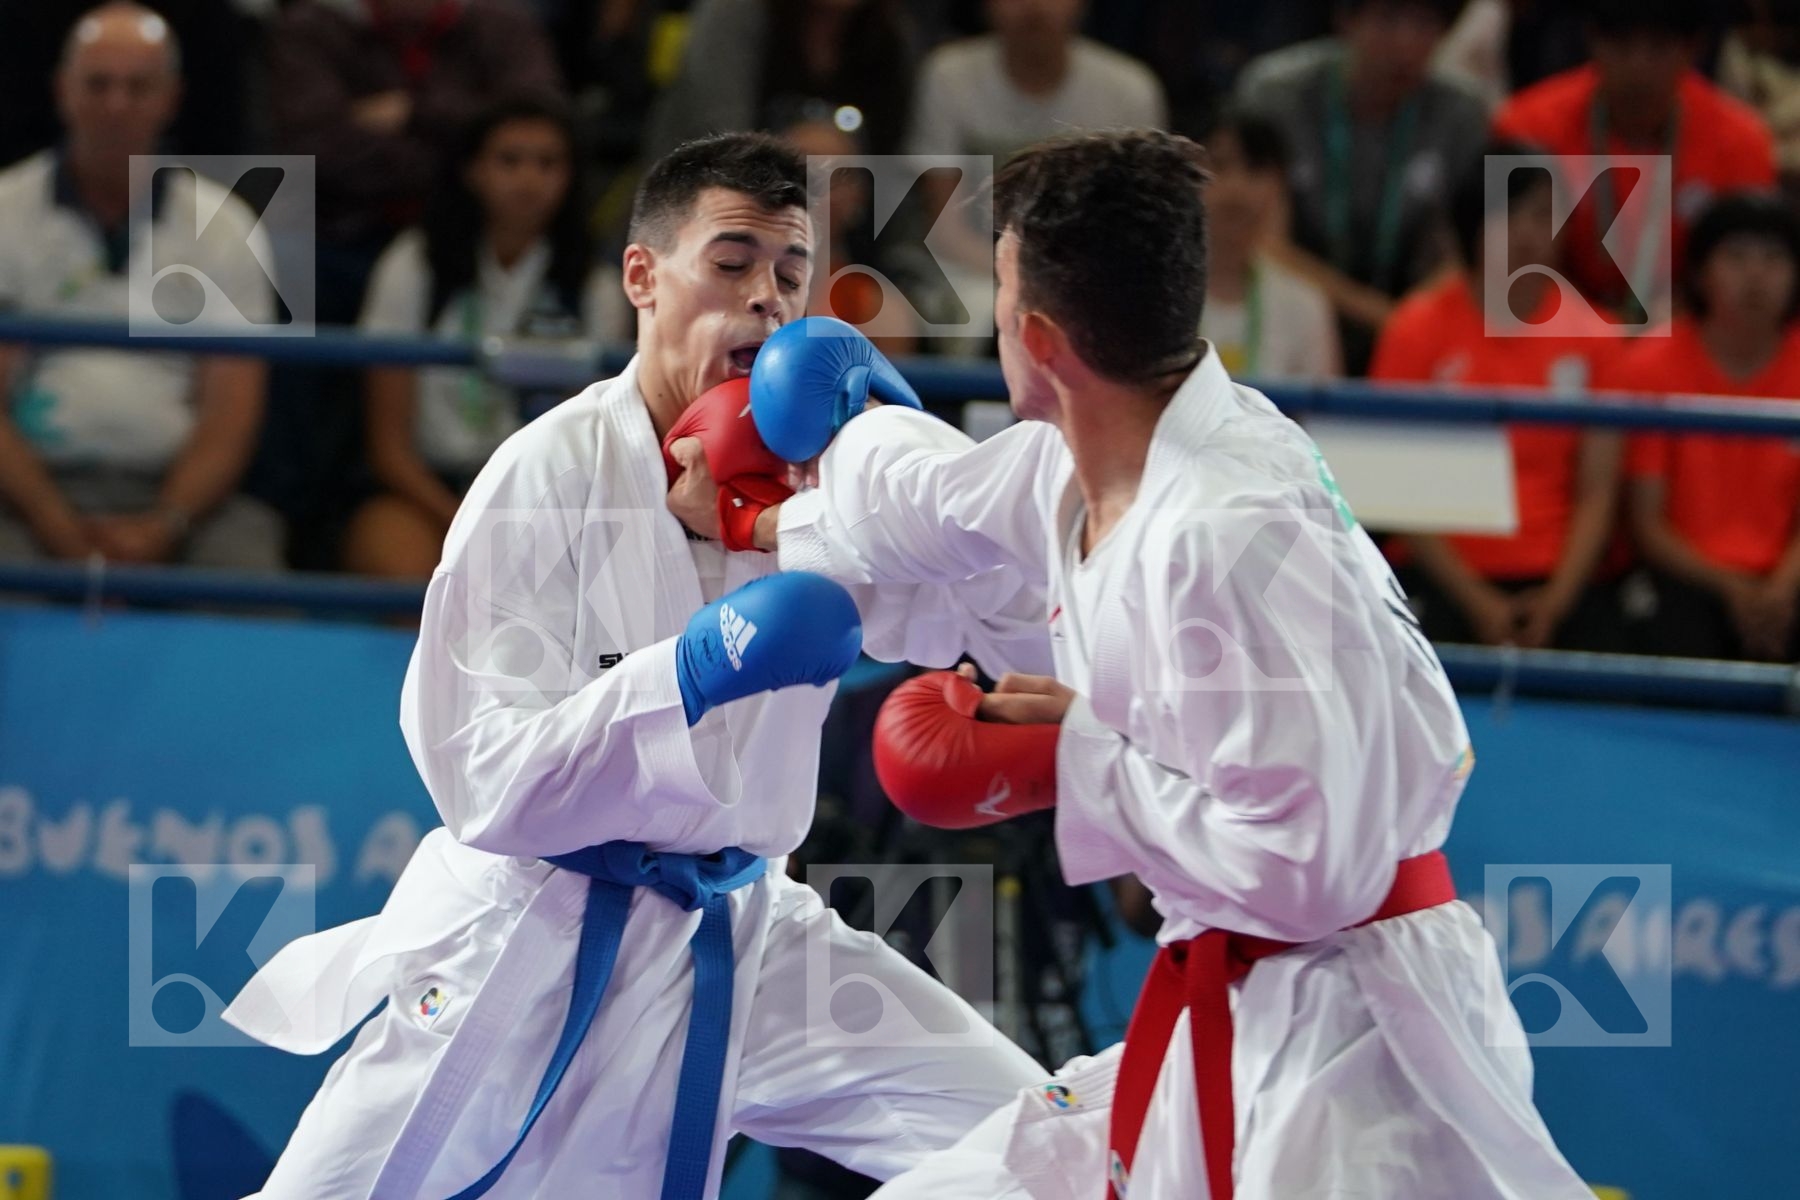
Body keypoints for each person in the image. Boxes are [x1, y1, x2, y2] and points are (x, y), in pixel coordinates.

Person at [681, 130, 1590, 1198]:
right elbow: (938, 503)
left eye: (1005, 296)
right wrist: (776, 505)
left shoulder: (1229, 529)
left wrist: (1079, 759)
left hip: (1352, 1055)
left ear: (1038, 336)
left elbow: (1312, 867)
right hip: (1239, 1004)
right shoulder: (1105, 452)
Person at [224, 132, 1048, 1200]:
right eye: (733, 260)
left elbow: (1018, 620)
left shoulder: (822, 485)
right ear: (642, 278)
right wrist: (695, 669)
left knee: (1041, 1146)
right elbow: (485, 783)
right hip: (535, 937)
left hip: (748, 933)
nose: (765, 298)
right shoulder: (546, 476)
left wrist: (913, 454)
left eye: (791, 276)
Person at [0, 3, 282, 571]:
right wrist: (54, 524)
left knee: (249, 568)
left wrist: (163, 526)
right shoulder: (4, 211)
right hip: (25, 499)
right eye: (98, 85)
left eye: (138, 87)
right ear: (62, 91)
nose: (116, 106)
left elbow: (232, 412)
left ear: (171, 98)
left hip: (182, 501)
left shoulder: (224, 224)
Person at [346, 97, 633, 580]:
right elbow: (388, 446)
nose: (528, 179)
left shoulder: (596, 288)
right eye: (509, 160)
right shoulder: (414, 265)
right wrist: (464, 518)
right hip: (428, 492)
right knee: (402, 564)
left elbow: (602, 439)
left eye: (547, 163)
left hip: (550, 499)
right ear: (473, 171)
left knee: (599, 580)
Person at [1369, 144, 1625, 650]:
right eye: (1509, 216)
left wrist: (1556, 601)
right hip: (1440, 575)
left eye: (1543, 216)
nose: (1529, 233)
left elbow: (1599, 489)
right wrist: (1477, 601)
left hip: (1559, 576)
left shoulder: (1599, 336)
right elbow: (1396, 486)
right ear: (1472, 227)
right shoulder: (1415, 329)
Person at [269, 0, 564, 324]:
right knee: (283, 259)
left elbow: (538, 124)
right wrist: (458, 151)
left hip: (471, 228)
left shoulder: (503, 27)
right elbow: (316, 147)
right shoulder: (314, 25)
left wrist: (414, 111)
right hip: (339, 233)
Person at [1234, 0, 1487, 374]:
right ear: (1346, 19)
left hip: (1418, 320)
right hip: (1295, 306)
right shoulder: (1275, 95)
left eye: (1424, 24)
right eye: (1388, 20)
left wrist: (1412, 321)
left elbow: (1461, 251)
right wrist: (1379, 314)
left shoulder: (1463, 113)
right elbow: (1265, 240)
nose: (1406, 44)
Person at [1493, 0, 1777, 321]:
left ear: (1694, 48)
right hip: (1556, 324)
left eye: (1659, 47)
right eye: (1620, 45)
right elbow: (1507, 269)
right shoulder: (1527, 128)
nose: (1638, 67)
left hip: (1691, 330)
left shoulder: (1742, 141)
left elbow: (1750, 274)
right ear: (1591, 40)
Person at [1608, 192, 1800, 662]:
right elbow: (1648, 524)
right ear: (1699, 272)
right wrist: (1733, 589)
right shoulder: (1650, 366)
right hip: (1684, 578)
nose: (1756, 276)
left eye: (1774, 259)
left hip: (1788, 574)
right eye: (1736, 257)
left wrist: (1780, 588)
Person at [647, 0, 919, 159]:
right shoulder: (734, 12)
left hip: (842, 232)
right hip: (706, 206)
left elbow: (891, 153)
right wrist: (791, 152)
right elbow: (718, 133)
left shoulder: (891, 37)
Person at [1198, 111, 1341, 382]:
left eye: (1255, 169)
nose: (1236, 189)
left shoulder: (1304, 306)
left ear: (1280, 185)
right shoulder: (1152, 297)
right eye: (1219, 165)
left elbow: (1321, 422)